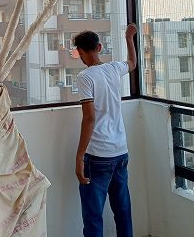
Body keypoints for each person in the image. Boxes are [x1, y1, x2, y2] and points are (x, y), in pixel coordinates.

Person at [73, 24, 138, 237]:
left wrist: (80, 156)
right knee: (123, 210)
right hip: (120, 152)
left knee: (93, 217)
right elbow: (132, 63)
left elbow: (89, 118)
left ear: (81, 52)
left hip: (99, 155)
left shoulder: (85, 77)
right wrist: (129, 37)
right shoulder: (113, 69)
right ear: (100, 47)